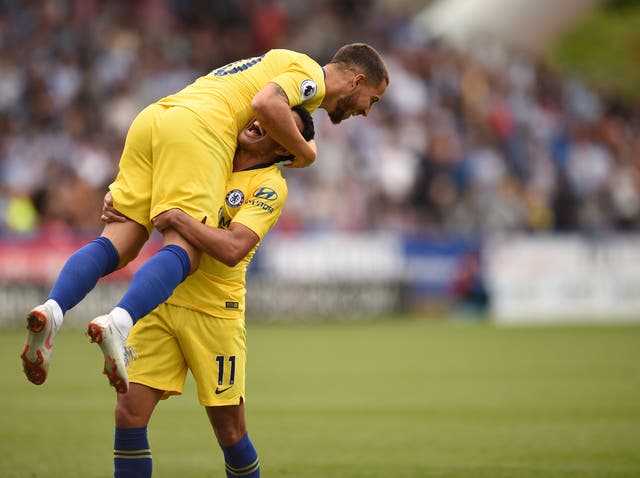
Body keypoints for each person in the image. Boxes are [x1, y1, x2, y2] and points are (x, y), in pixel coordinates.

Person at [21, 43, 389, 392]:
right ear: (357, 80)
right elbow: (265, 103)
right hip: (201, 129)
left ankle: (53, 308)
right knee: (187, 248)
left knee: (122, 240)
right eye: (371, 100)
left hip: (157, 118)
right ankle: (120, 322)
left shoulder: (276, 62)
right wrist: (306, 153)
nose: (366, 110)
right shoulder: (309, 74)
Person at [108, 105, 315, 478]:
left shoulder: (270, 186)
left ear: (284, 149)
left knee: (230, 432)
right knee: (128, 414)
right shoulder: (210, 151)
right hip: (163, 299)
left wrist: (178, 219)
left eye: (275, 126)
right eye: (264, 117)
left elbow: (233, 248)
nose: (259, 122)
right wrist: (122, 198)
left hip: (215, 314)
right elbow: (152, 183)